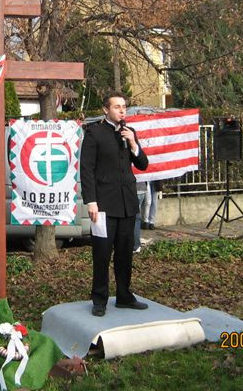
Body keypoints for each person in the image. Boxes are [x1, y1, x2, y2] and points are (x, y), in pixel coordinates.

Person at [80, 92, 149, 317]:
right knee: (102, 253)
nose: (122, 110)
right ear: (106, 109)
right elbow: (87, 169)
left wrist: (132, 143)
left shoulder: (130, 133)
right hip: (103, 205)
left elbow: (143, 164)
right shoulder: (94, 133)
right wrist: (91, 201)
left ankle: (124, 296)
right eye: (117, 107)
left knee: (124, 253)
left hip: (127, 203)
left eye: (124, 107)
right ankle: (99, 299)